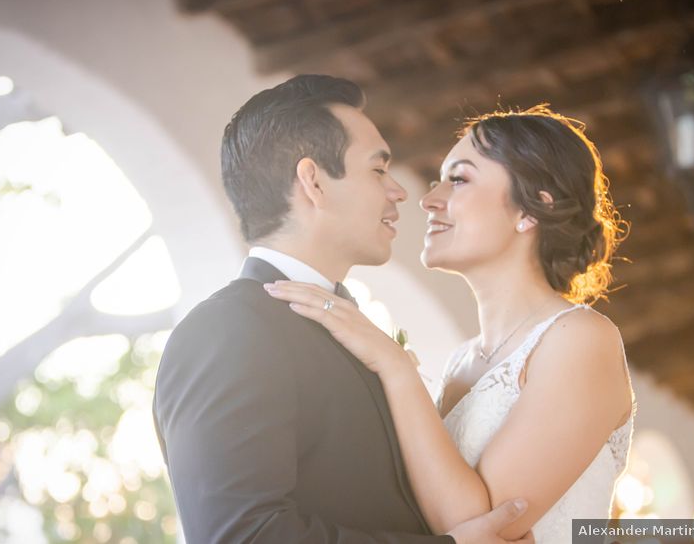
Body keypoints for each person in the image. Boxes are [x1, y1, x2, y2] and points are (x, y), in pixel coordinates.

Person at [152, 74, 533, 543]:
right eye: (378, 170)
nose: (399, 191)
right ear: (313, 181)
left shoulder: (352, 331)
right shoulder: (226, 332)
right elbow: (241, 537)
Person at [265, 105, 636, 543]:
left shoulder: (581, 339)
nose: (428, 199)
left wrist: (395, 367)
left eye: (458, 179)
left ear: (533, 208)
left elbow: (480, 523)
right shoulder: (462, 362)